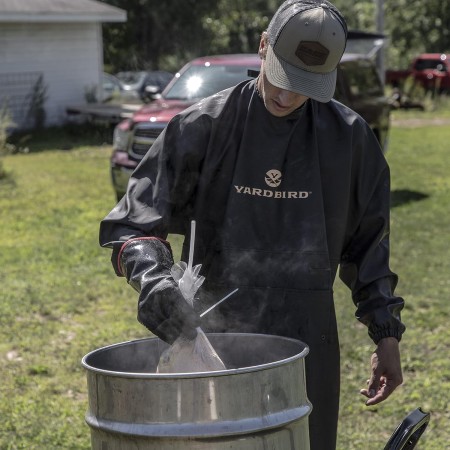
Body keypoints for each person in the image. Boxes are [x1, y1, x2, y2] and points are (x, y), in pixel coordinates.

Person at [99, 0, 405, 448]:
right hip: (214, 328)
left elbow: (368, 247)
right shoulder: (202, 126)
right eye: (282, 79)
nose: (286, 96)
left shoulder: (350, 139)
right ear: (263, 46)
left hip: (309, 333)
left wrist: (386, 335)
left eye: (305, 87)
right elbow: (134, 222)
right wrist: (152, 278)